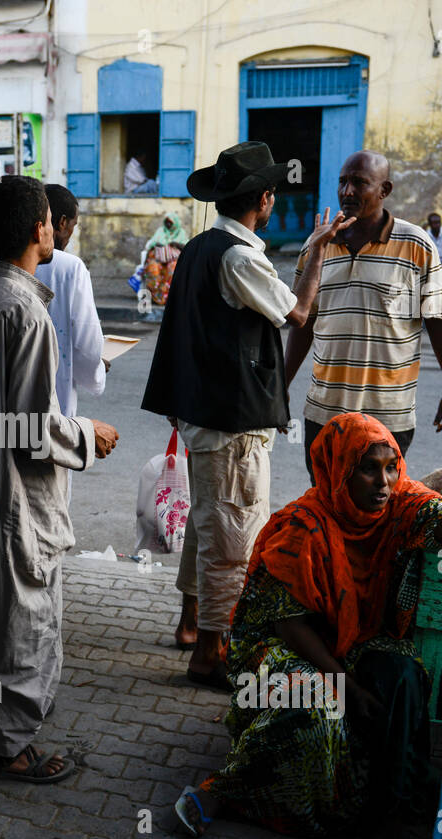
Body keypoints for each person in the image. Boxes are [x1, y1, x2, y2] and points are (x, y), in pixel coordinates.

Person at [173, 413, 442, 839]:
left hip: (361, 641)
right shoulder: (302, 527)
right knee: (314, 707)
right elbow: (290, 625)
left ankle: (388, 818)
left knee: (405, 674)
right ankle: (228, 791)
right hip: (286, 649)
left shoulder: (401, 503)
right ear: (339, 470)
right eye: (369, 468)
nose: (384, 481)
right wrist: (345, 685)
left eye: (392, 466)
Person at [141, 141, 352, 685]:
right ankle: (211, 652)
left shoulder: (198, 248)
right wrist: (318, 253)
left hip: (204, 416)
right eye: (272, 193)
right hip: (231, 424)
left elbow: (181, 336)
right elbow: (297, 312)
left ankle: (193, 624)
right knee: (232, 540)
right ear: (262, 198)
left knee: (208, 525)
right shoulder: (240, 257)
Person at [0, 175, 119, 784]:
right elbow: (33, 429)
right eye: (48, 217)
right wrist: (89, 434)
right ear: (42, 229)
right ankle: (3, 747)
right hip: (16, 496)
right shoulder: (25, 313)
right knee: (25, 620)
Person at [285, 150, 442, 479]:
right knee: (325, 506)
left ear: (385, 190)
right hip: (325, 413)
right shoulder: (317, 246)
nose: (347, 191)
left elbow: (438, 320)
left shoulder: (417, 245)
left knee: (378, 513)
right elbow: (303, 320)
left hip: (389, 417)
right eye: (343, 182)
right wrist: (281, 384)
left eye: (360, 183)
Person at [0, 183, 106, 422]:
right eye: (48, 222)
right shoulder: (70, 269)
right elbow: (87, 345)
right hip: (47, 412)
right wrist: (98, 369)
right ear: (43, 227)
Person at [138, 210, 188, 307]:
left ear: (176, 223)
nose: (168, 224)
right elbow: (151, 245)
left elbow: (186, 247)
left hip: (173, 260)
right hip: (158, 259)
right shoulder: (160, 231)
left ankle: (169, 298)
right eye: (167, 222)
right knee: (153, 268)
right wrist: (158, 245)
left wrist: (176, 244)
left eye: (171, 222)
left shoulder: (181, 233)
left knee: (174, 268)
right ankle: (156, 297)